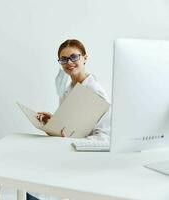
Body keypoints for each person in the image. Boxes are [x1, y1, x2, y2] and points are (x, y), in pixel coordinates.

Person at [27, 39, 111, 200]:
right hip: (65, 150)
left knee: (35, 187)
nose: (69, 62)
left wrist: (72, 140)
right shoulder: (69, 88)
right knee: (29, 181)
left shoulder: (95, 92)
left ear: (85, 57)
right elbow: (71, 122)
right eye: (64, 59)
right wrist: (52, 121)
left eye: (74, 57)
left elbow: (105, 137)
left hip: (83, 158)